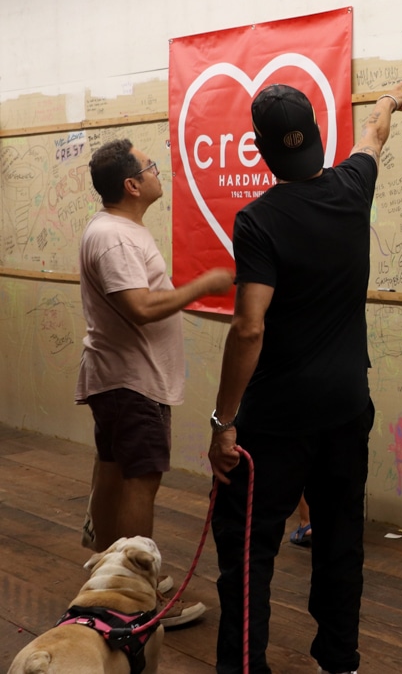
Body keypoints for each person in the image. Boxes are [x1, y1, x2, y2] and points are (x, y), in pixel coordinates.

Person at [207, 82, 402, 674]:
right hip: (347, 405)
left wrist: (223, 421)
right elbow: (373, 137)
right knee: (341, 537)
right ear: (318, 136)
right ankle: (339, 661)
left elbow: (248, 328)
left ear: (260, 150)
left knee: (248, 552)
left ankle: (245, 667)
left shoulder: (258, 220)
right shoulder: (353, 185)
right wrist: (388, 104)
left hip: (276, 422)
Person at [76, 137, 234, 628]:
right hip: (132, 381)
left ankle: (108, 575)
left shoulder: (119, 229)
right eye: (151, 167)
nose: (156, 172)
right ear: (132, 184)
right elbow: (140, 308)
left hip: (125, 377)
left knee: (114, 471)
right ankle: (135, 604)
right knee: (139, 482)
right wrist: (204, 285)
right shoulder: (115, 237)